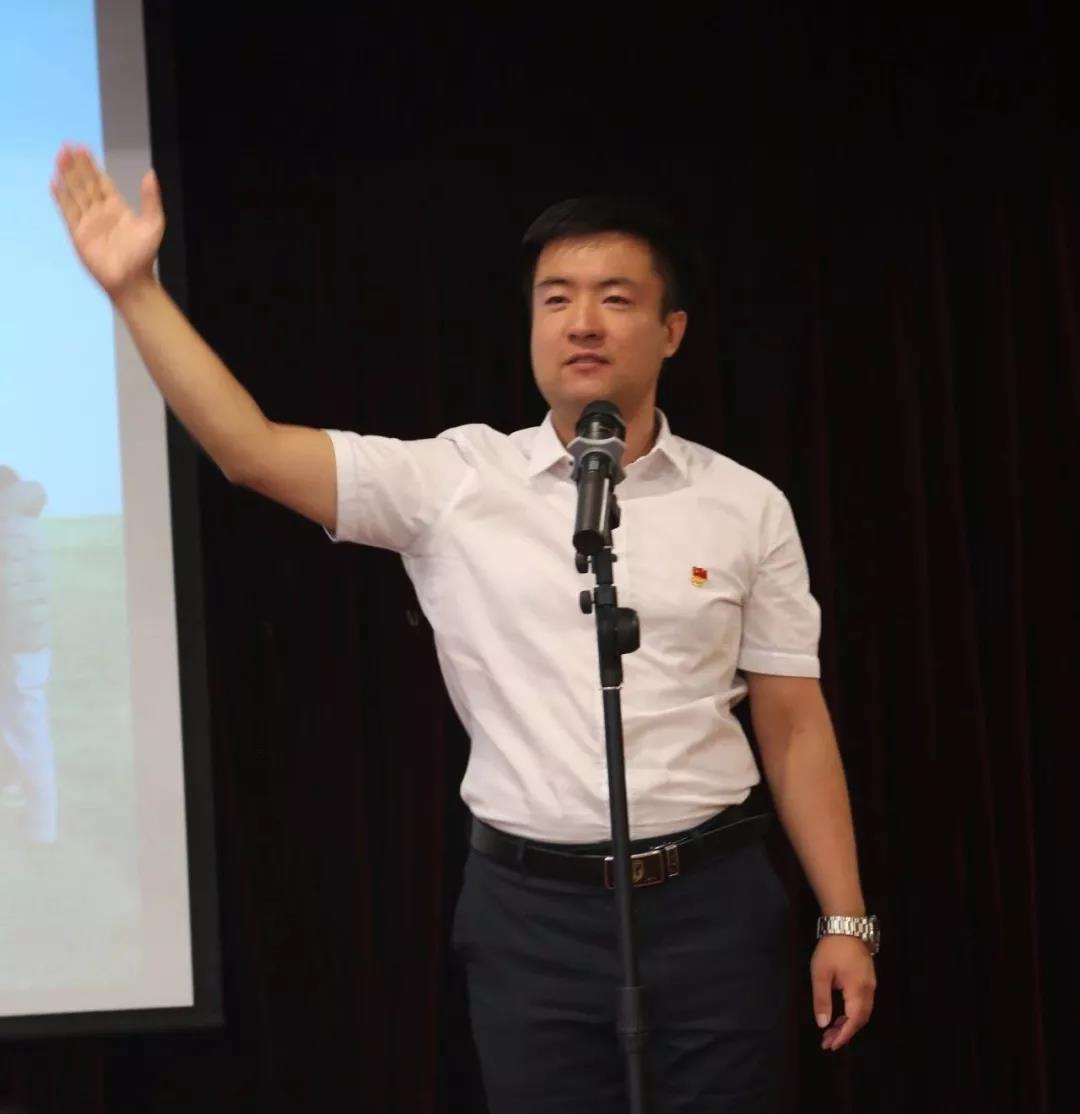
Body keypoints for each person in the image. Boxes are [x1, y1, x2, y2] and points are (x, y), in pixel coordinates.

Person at [51, 144, 877, 1112]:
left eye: (615, 298)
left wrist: (845, 918)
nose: (581, 321)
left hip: (711, 902)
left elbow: (792, 720)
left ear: (672, 331)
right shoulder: (456, 481)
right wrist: (137, 292)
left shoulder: (745, 504)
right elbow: (252, 451)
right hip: (532, 914)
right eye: (556, 298)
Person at [0, 465, 57, 844]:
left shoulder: (6, 528)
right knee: (25, 730)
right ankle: (21, 801)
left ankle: (41, 829)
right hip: (31, 645)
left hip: (14, 649)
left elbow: (8, 597)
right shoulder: (25, 523)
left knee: (28, 735)